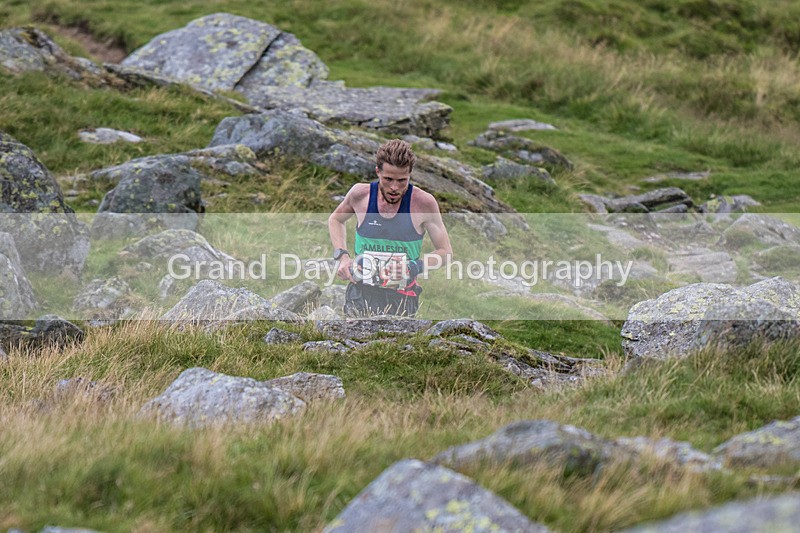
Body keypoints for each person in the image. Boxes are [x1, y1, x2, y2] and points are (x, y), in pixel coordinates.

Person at [328, 139, 452, 317]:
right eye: (388, 179)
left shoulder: (424, 203)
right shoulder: (360, 195)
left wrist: (413, 267)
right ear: (377, 172)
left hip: (401, 298)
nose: (394, 187)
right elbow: (335, 220)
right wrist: (342, 257)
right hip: (360, 292)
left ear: (410, 175)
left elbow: (446, 252)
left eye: (402, 180)